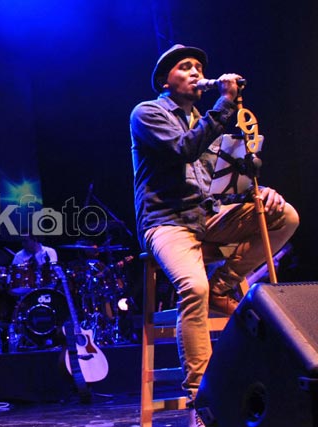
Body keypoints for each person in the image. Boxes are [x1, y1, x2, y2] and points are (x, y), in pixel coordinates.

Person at [130, 44, 299, 425]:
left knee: (284, 216)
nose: (195, 72)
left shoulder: (206, 123)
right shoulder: (148, 113)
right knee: (194, 287)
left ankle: (222, 285)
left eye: (198, 67)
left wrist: (258, 191)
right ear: (165, 80)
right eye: (185, 67)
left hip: (206, 219)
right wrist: (223, 105)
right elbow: (183, 149)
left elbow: (220, 185)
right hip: (166, 222)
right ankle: (203, 400)